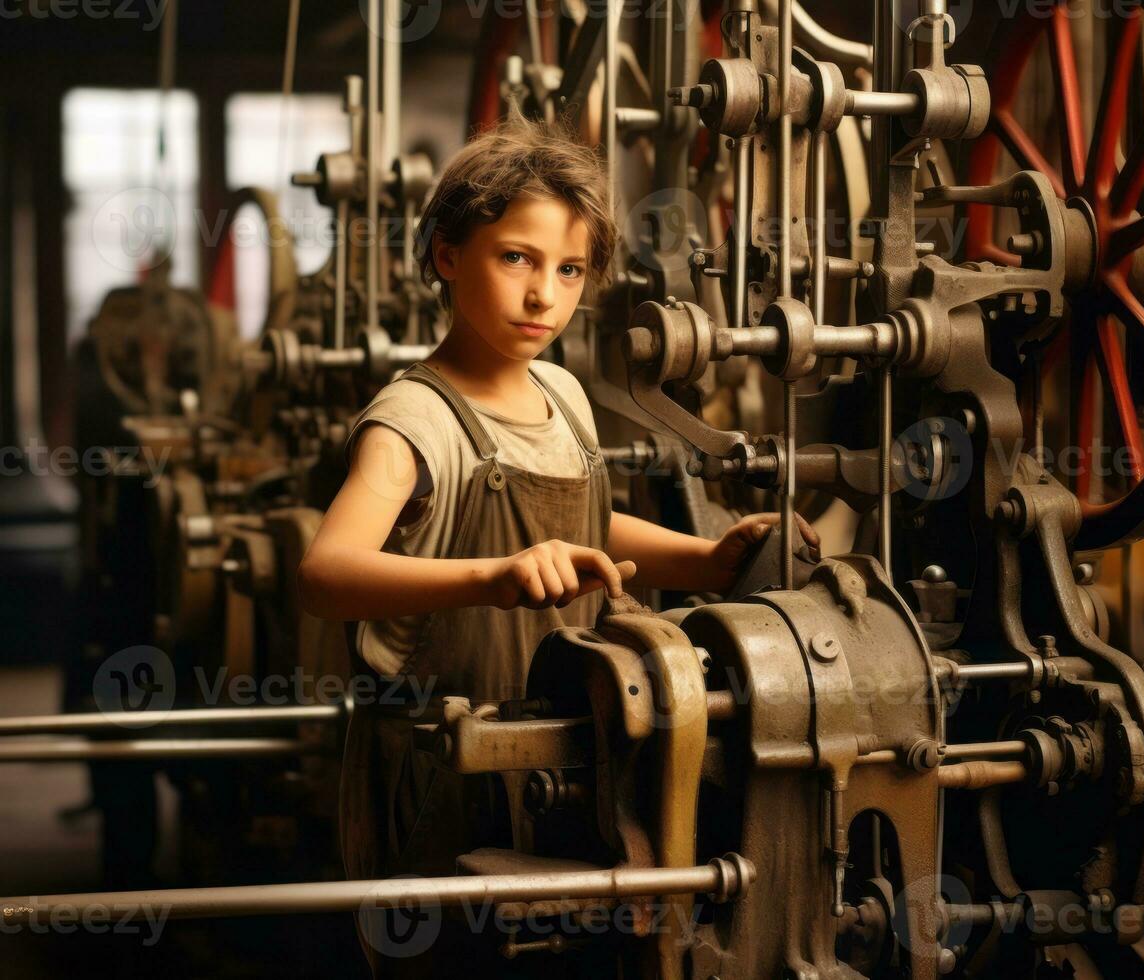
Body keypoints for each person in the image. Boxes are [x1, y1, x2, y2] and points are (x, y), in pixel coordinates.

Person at [297, 111, 819, 976]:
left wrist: (704, 559)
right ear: (445, 255)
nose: (545, 295)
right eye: (516, 259)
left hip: (579, 755)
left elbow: (584, 525)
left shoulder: (562, 393)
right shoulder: (414, 421)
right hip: (445, 782)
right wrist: (491, 576)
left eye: (569, 269)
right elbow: (326, 572)